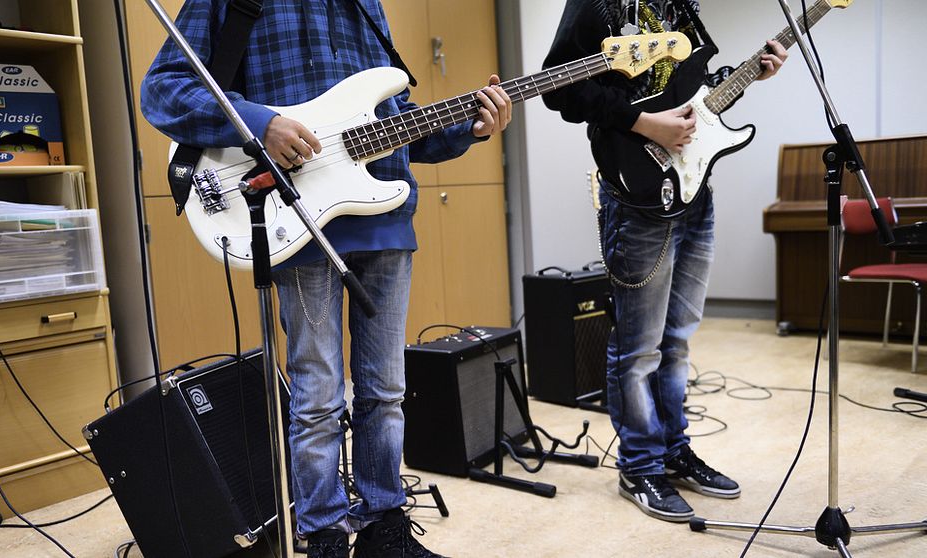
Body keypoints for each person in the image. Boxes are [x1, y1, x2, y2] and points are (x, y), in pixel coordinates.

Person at [141, 1, 511, 556]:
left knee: (385, 391)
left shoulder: (368, 6)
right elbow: (164, 88)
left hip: (384, 219)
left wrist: (471, 128)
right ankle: (324, 535)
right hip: (296, 216)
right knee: (317, 395)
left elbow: (397, 124)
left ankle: (385, 524)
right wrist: (260, 122)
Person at [542, 0, 787, 522]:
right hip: (637, 195)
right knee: (638, 349)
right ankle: (640, 466)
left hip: (696, 191)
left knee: (676, 342)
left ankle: (673, 451)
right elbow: (557, 86)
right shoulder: (596, 3)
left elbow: (695, 92)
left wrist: (746, 76)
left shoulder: (682, 4)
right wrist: (644, 123)